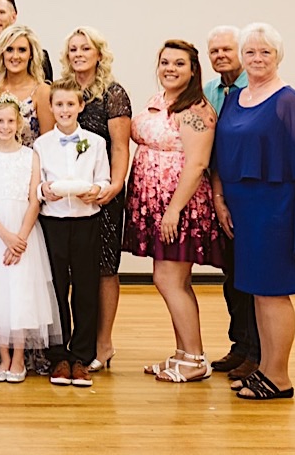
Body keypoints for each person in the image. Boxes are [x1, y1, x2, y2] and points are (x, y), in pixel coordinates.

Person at [212, 23, 295, 401]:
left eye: (265, 52)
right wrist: (219, 198)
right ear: (242, 58)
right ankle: (264, 370)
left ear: (277, 56)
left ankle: (279, 378)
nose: (258, 58)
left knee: (274, 293)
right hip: (244, 213)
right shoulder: (234, 99)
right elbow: (219, 157)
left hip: (278, 210)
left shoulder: (288, 101)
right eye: (251, 52)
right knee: (258, 294)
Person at [123, 40, 223, 384]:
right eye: (165, 62)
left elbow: (197, 164)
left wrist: (173, 211)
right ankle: (183, 353)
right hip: (154, 205)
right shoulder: (160, 102)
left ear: (193, 70)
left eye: (179, 64)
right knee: (176, 280)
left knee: (167, 279)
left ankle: (195, 358)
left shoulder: (195, 110)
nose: (170, 68)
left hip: (178, 206)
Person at [0, 93, 60, 383]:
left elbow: (35, 199)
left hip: (25, 233)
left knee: (20, 294)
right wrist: (6, 236)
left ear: (19, 123)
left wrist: (20, 238)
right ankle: (4, 357)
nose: (5, 126)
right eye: (0, 121)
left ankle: (19, 357)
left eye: (11, 121)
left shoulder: (31, 156)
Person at [58, 26, 133, 372]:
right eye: (73, 49)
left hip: (103, 194)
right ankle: (73, 341)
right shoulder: (63, 91)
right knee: (71, 270)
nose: (78, 54)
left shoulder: (113, 94)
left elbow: (120, 145)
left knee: (104, 267)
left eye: (85, 48)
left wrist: (114, 186)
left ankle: (103, 342)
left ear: (99, 53)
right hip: (66, 198)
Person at [34, 80, 110, 388]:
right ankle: (58, 356)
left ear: (80, 106)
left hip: (85, 221)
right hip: (52, 223)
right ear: (51, 108)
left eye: (70, 104)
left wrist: (97, 190)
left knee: (85, 288)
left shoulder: (95, 142)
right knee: (55, 289)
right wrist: (43, 191)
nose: (64, 110)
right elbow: (37, 184)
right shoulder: (41, 145)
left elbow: (103, 178)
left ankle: (81, 356)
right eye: (59, 105)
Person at [202, 25, 259, 382]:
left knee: (253, 276)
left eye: (227, 49)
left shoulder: (255, 89)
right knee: (232, 277)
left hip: (250, 193)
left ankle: (257, 353)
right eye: (215, 51)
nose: (221, 55)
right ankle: (239, 345)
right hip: (220, 192)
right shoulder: (210, 91)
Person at [0, 24, 54, 147]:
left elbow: (48, 144)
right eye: (9, 49)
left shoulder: (42, 91)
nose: (15, 56)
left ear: (31, 54)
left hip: (32, 163)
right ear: (2, 53)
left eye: (22, 50)